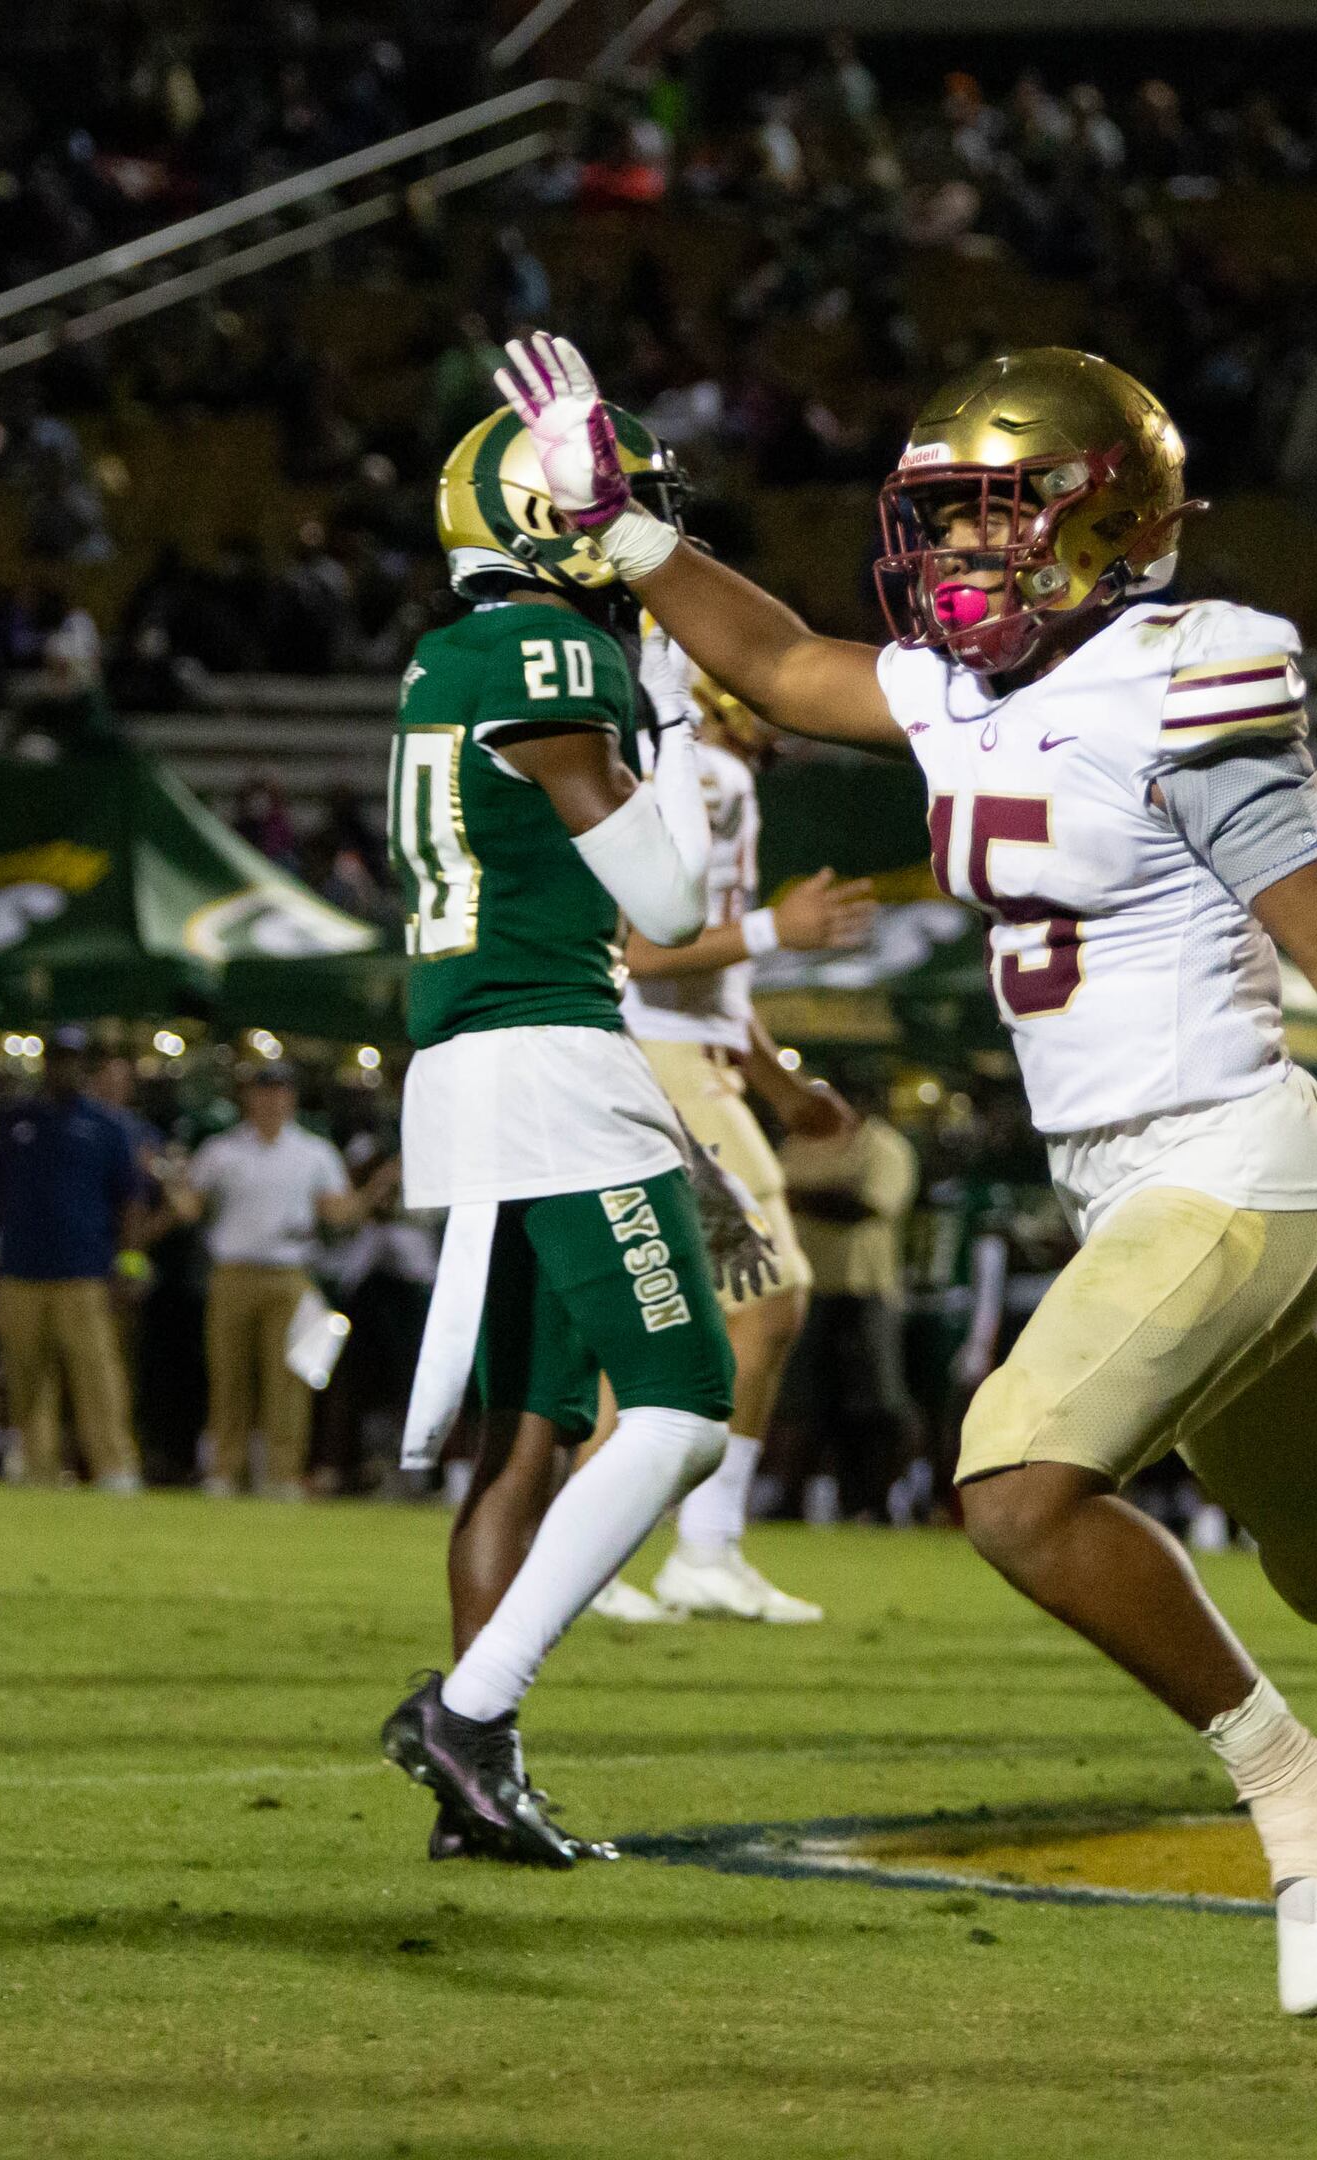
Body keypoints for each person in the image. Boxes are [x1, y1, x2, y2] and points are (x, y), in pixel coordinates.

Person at [501, 332, 1317, 2058]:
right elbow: (777, 660)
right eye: (936, 524)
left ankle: (1301, 1791)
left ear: (1105, 524)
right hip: (1141, 1194)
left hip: (1236, 1159)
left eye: (994, 519)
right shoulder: (958, 692)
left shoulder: (1188, 670)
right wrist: (627, 529)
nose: (951, 556)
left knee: (1012, 1485)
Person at [370, 390, 762, 1870]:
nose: (629, 525)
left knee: (523, 1435)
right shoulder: (550, 649)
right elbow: (662, 908)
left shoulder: (449, 652)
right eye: (606, 499)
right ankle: (469, 1714)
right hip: (547, 1059)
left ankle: (482, 1779)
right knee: (682, 1403)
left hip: (477, 1061)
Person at [600, 652, 877, 1620]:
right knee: (767, 1299)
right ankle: (686, 1548)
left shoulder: (703, 771)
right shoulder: (706, 773)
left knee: (681, 1312)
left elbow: (701, 979)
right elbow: (638, 948)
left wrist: (776, 1081)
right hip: (664, 1066)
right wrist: (774, 930)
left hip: (685, 1061)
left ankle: (655, 1549)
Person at [167, 1063, 391, 1496]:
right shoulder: (222, 1150)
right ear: (248, 1097)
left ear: (290, 1098)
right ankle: (224, 1471)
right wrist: (174, 1182)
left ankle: (283, 1474)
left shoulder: (314, 1152)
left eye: (280, 1091)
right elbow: (190, 1207)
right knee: (228, 1376)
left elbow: (337, 1213)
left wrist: (373, 1191)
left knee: (289, 1381)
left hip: (290, 1273)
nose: (271, 1100)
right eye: (263, 1091)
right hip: (233, 1273)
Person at [0, 1031, 147, 1492]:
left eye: (72, 1061)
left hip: (84, 1271)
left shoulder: (107, 1127)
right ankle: (37, 1465)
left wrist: (128, 1262)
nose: (63, 1069)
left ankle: (115, 1467)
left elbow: (129, 1202)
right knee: (26, 1376)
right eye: (57, 1060)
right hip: (21, 1268)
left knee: (97, 1376)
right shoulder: (15, 1121)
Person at [774, 1081, 922, 1525]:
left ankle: (877, 1501)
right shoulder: (798, 1143)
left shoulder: (884, 1146)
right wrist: (814, 1195)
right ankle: (793, 1502)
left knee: (876, 1402)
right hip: (808, 1289)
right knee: (806, 1403)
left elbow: (866, 1206)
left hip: (867, 1290)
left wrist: (799, 1197)